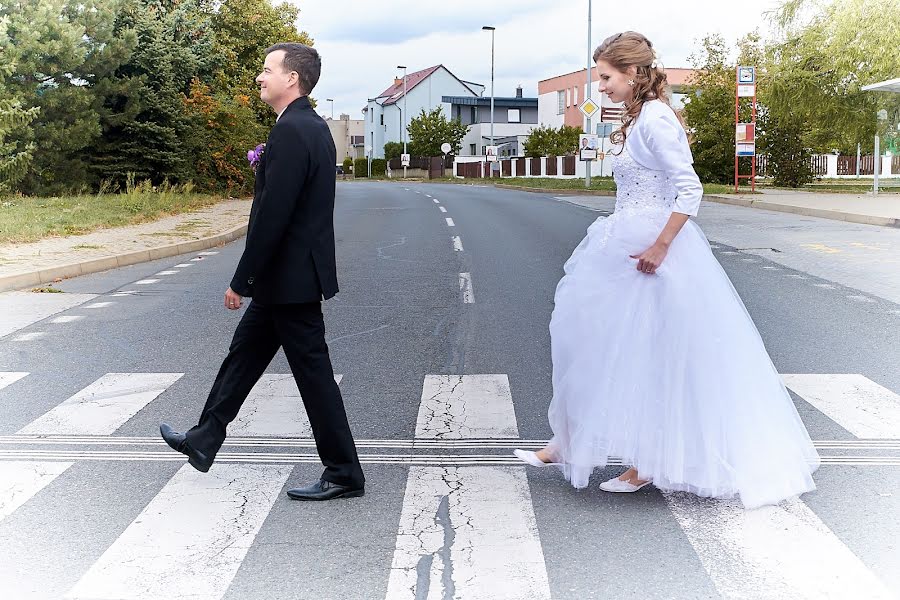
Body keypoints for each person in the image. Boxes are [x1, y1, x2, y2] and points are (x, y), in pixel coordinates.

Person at [514, 31, 819, 509]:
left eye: (608, 77)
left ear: (634, 73)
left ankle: (648, 462)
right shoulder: (636, 118)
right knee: (587, 338)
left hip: (654, 255)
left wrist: (661, 246)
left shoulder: (656, 120)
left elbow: (689, 189)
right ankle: (569, 440)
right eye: (599, 77)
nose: (602, 87)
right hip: (622, 246)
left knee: (654, 356)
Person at [160, 43, 365, 501]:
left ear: (292, 78)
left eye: (267, 69)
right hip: (286, 280)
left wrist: (241, 278)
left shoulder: (294, 131)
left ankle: (344, 472)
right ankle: (205, 438)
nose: (260, 77)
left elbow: (275, 214)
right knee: (244, 356)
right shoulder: (307, 127)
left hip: (288, 280)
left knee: (313, 377)